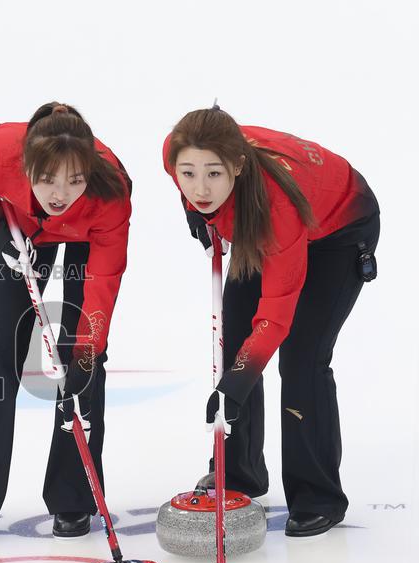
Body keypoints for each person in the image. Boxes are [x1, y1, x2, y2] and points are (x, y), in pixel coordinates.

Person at [163, 105, 380, 537]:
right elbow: (193, 185)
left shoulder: (278, 205)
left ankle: (318, 496)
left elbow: (276, 314)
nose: (200, 187)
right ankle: (240, 475)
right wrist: (196, 213)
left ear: (238, 166)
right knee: (235, 343)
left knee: (301, 359)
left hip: (336, 232)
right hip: (256, 223)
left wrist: (237, 383)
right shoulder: (175, 151)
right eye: (188, 174)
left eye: (214, 174)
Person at [0, 102, 132, 537]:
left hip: (89, 234)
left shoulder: (109, 193)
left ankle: (73, 497)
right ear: (25, 165)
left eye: (74, 179)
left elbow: (103, 282)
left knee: (81, 361)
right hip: (20, 225)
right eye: (47, 179)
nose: (60, 192)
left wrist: (86, 348)